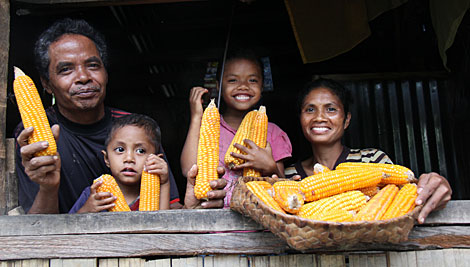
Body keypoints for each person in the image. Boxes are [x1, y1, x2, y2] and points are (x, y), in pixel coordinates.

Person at [14, 18, 183, 214]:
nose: (83, 77)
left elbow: (172, 209)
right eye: (66, 69)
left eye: (93, 65)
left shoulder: (136, 130)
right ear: (46, 84)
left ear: (106, 72)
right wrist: (48, 187)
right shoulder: (33, 136)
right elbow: (35, 231)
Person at [284, 78, 452, 223]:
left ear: (347, 119)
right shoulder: (290, 175)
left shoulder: (373, 159)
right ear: (301, 118)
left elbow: (403, 196)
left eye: (331, 109)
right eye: (310, 109)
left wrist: (431, 188)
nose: (319, 117)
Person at [180, 49, 292, 207]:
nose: (243, 86)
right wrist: (197, 116)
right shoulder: (208, 125)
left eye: (252, 80)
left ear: (262, 86)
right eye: (233, 80)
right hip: (213, 219)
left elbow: (281, 186)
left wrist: (270, 166)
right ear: (219, 86)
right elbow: (188, 170)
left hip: (258, 221)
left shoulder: (273, 132)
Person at [68, 114, 170, 213]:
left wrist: (164, 183)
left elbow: (164, 224)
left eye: (140, 151)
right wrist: (86, 210)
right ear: (106, 158)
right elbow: (69, 227)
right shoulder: (95, 195)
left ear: (156, 160)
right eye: (120, 149)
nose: (129, 158)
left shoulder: (157, 193)